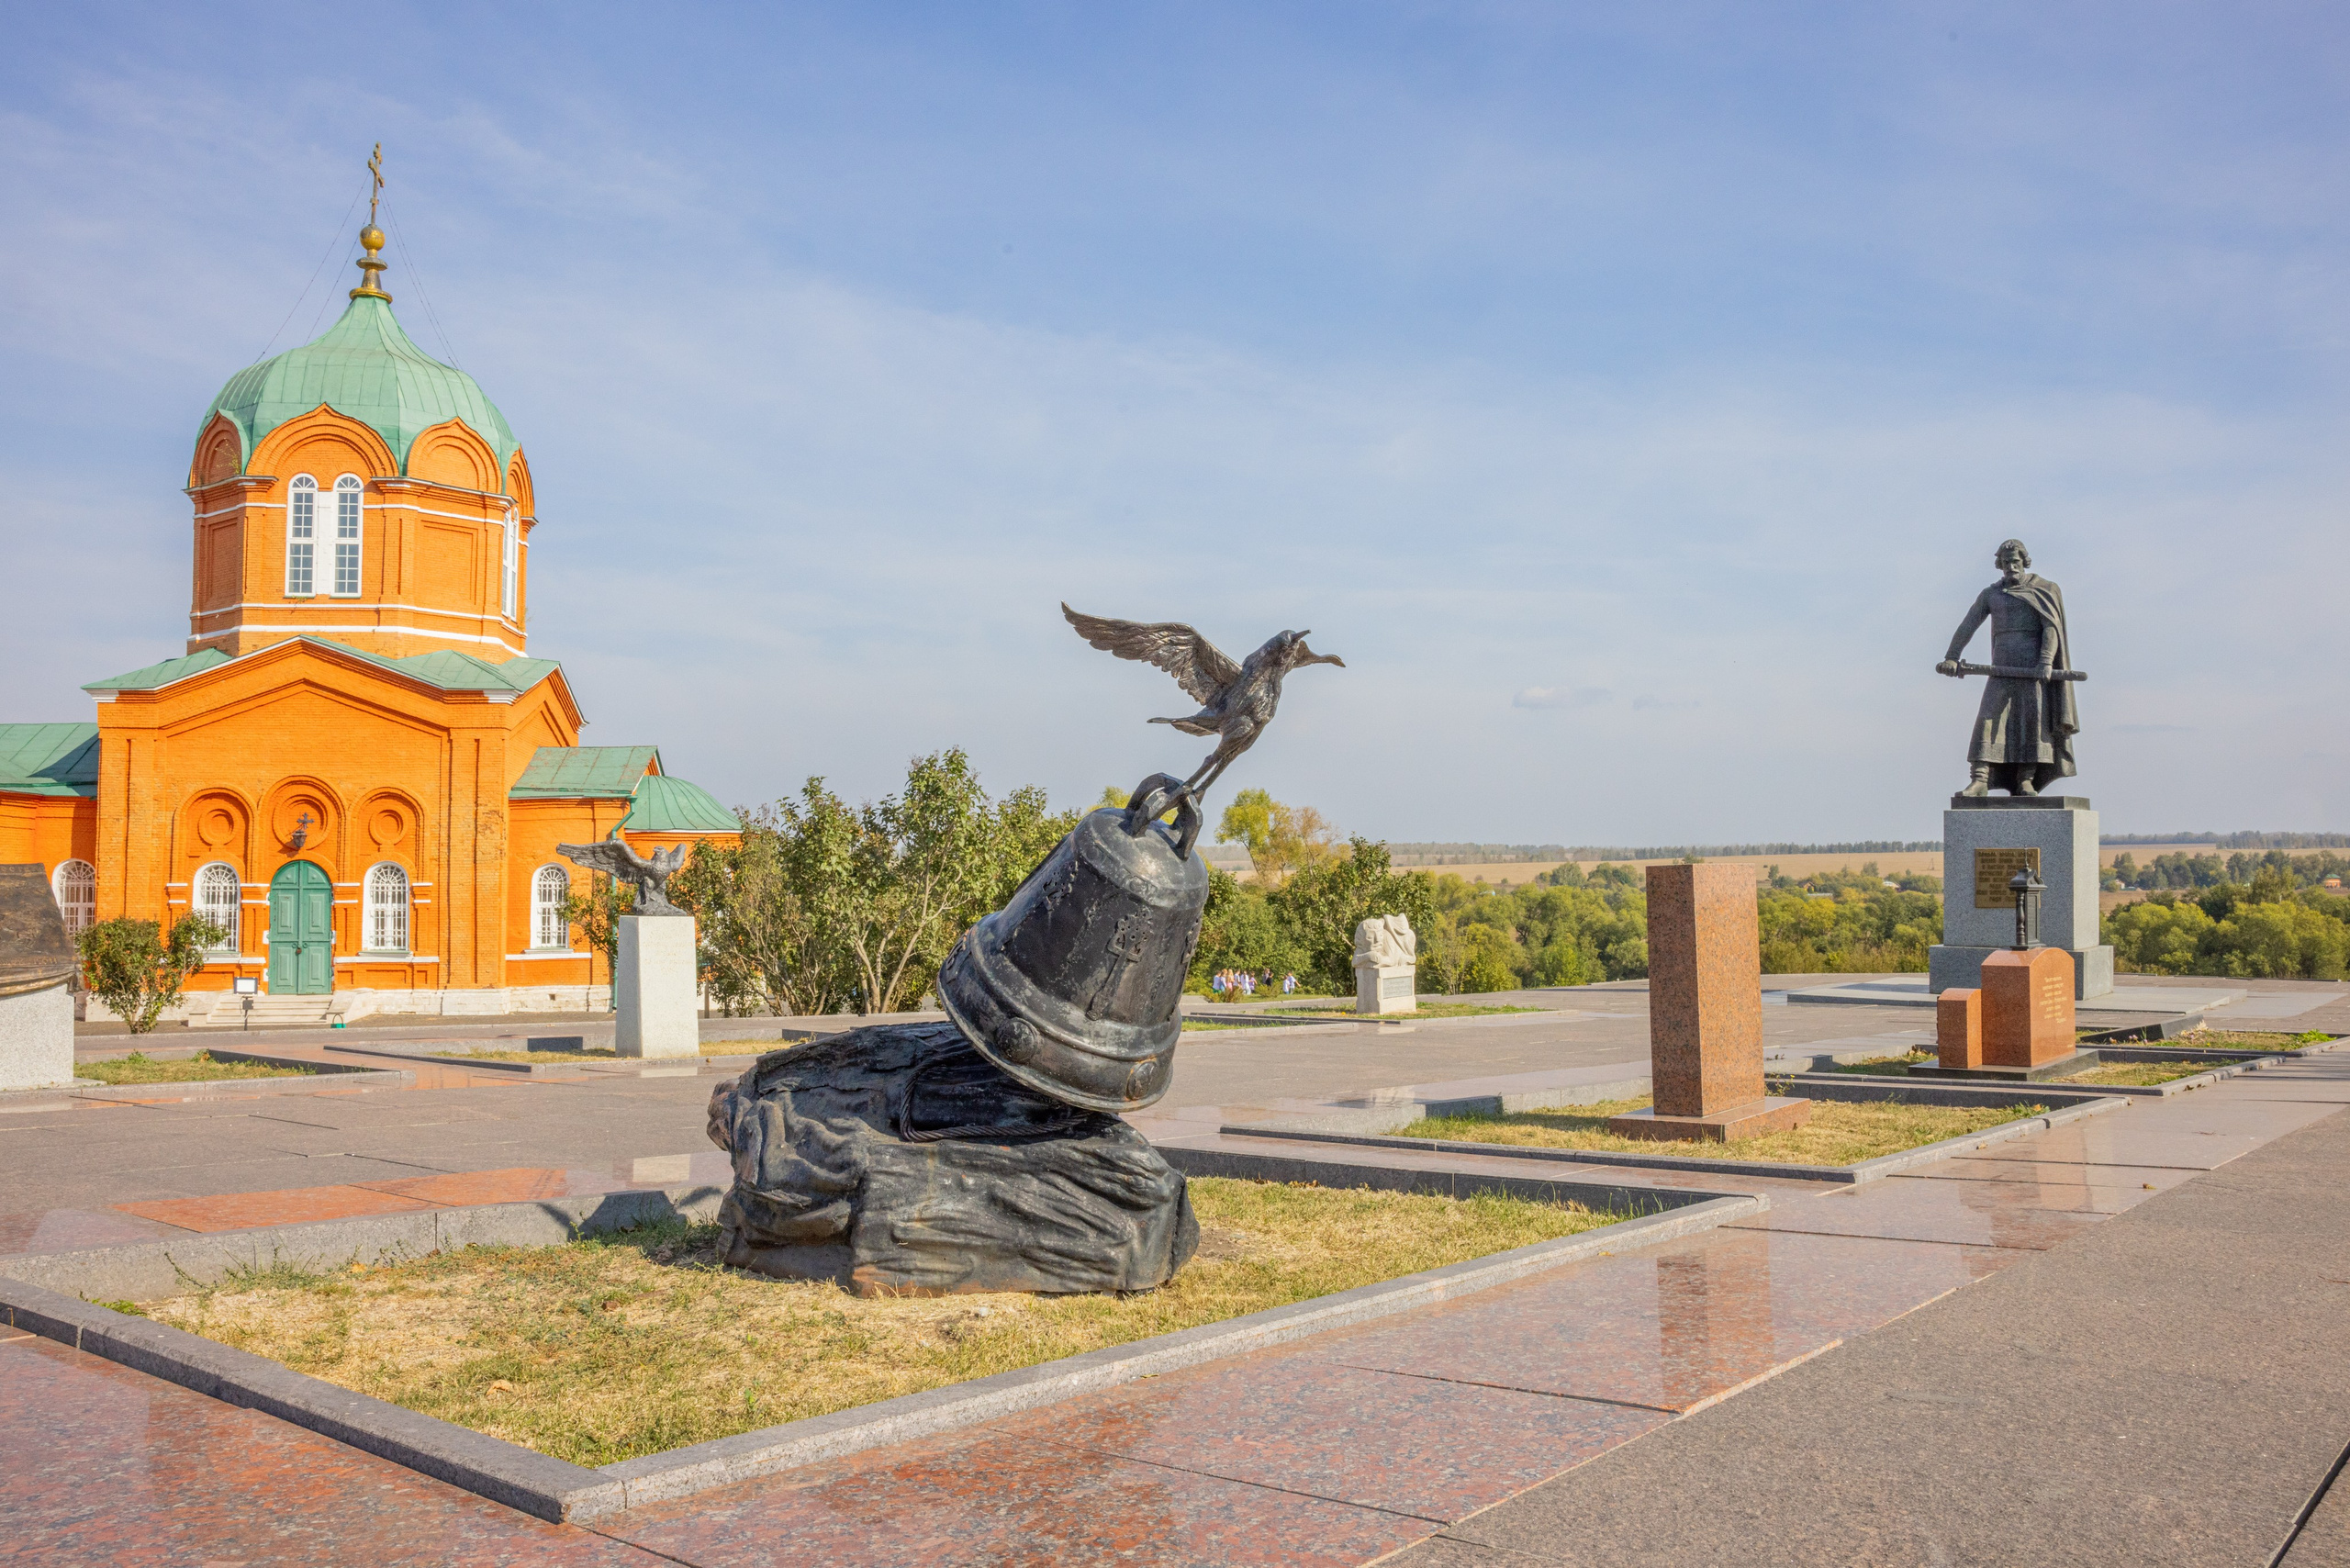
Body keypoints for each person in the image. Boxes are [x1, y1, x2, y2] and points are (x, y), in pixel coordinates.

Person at [1937, 539, 2079, 797]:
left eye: (2015, 561)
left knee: (2032, 723)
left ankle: (2026, 780)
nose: (2011, 566)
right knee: (1988, 720)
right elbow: (1968, 624)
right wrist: (1952, 656)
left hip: (2033, 670)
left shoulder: (2044, 589)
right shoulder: (1991, 594)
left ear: (2024, 561)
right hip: (2001, 668)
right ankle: (1979, 779)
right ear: (1999, 565)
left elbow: (2051, 627)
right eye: (2006, 562)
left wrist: (2046, 660)